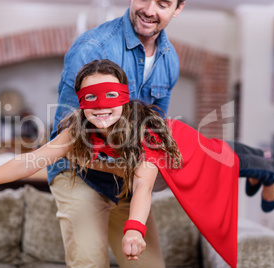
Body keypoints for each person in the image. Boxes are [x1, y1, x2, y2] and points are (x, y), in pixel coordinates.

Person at [0, 59, 274, 268]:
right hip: (125, 182)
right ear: (80, 104)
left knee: (226, 157)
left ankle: (269, 170)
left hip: (182, 154)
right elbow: (30, 160)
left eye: (109, 97)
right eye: (90, 99)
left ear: (123, 97)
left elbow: (142, 186)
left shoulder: (145, 133)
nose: (101, 107)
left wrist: (134, 229)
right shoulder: (75, 132)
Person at [48, 0, 185, 266]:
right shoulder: (93, 48)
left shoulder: (170, 60)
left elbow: (153, 135)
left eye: (163, 3)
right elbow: (66, 135)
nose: (149, 10)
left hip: (126, 179)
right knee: (90, 262)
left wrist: (145, 174)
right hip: (79, 172)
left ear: (177, 9)